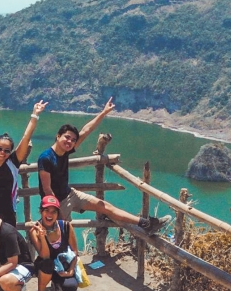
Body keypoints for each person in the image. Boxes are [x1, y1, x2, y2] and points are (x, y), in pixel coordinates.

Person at [37, 97, 171, 234]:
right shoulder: (46, 158)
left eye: (73, 140)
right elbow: (47, 190)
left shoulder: (65, 150)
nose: (70, 141)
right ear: (58, 136)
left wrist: (104, 112)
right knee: (61, 234)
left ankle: (146, 223)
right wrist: (55, 210)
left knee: (105, 206)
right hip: (56, 202)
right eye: (66, 137)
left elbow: (86, 130)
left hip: (69, 194)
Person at [0, 100, 48, 227]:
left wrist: (35, 115)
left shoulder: (13, 162)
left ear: (11, 152)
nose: (2, 152)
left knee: (8, 243)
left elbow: (26, 137)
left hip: (7, 211)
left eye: (6, 150)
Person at [28, 195, 80, 291]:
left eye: (54, 211)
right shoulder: (35, 231)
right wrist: (42, 236)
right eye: (46, 210)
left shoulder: (66, 226)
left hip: (62, 266)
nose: (50, 215)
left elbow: (75, 251)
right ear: (41, 211)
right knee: (48, 263)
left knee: (71, 287)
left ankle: (57, 285)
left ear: (58, 213)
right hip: (44, 266)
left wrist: (71, 270)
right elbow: (45, 255)